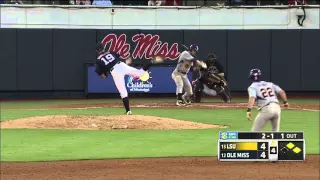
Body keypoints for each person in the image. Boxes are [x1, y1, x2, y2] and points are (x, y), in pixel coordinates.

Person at [94, 43, 162, 115]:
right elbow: (119, 57)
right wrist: (126, 63)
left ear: (96, 51)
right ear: (103, 48)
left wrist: (105, 73)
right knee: (140, 73)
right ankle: (150, 62)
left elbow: (102, 75)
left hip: (115, 71)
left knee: (123, 92)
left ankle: (128, 111)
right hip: (121, 65)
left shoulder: (98, 61)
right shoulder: (110, 52)